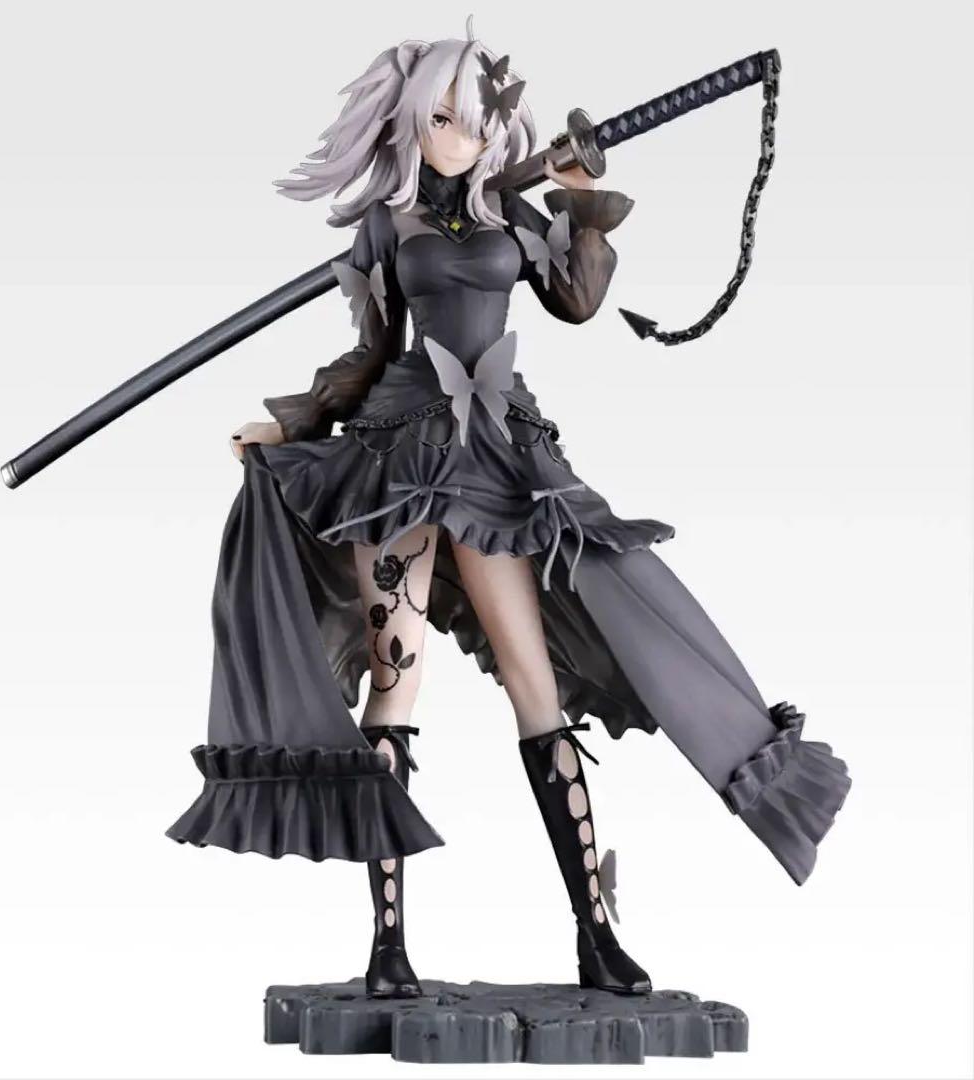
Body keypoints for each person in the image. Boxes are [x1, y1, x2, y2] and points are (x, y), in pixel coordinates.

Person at [166, 21, 851, 1000]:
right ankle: (389, 949)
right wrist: (295, 422)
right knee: (396, 685)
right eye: (443, 118)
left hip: (495, 460)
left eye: (477, 118)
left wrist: (578, 202)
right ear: (412, 122)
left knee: (535, 683)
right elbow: (369, 354)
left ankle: (595, 934)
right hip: (398, 458)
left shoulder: (511, 217)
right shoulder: (388, 228)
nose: (462, 135)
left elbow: (576, 301)